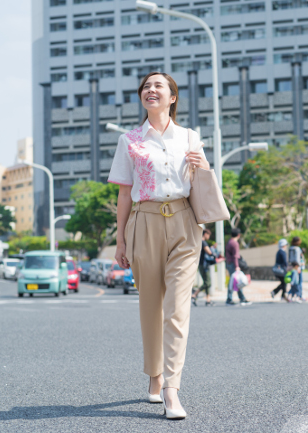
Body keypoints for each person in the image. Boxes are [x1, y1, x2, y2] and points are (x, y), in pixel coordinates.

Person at [110, 72, 210, 419]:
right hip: (145, 221)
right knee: (151, 305)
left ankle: (171, 389)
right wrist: (120, 238)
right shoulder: (130, 140)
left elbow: (202, 180)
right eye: (146, 86)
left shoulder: (189, 136)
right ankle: (153, 375)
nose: (150, 90)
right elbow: (124, 192)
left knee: (178, 307)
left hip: (184, 222)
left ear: (172, 98)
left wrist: (204, 165)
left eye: (158, 86)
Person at [225, 228, 251, 306]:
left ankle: (241, 298)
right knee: (236, 281)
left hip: (229, 263)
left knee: (235, 281)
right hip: (233, 264)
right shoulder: (235, 243)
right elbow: (235, 256)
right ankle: (231, 299)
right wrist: (237, 266)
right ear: (239, 235)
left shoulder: (229, 242)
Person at [192, 228, 215, 307]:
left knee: (206, 281)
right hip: (204, 265)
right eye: (208, 235)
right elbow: (209, 252)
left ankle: (208, 300)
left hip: (201, 264)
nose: (209, 237)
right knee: (208, 283)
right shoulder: (203, 242)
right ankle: (194, 294)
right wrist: (214, 253)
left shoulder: (199, 242)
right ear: (205, 234)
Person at [288, 237, 306, 302]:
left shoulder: (290, 248)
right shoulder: (297, 249)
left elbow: (290, 258)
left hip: (292, 267)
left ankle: (292, 295)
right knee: (299, 282)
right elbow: (297, 258)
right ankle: (299, 296)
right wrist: (298, 267)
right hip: (298, 267)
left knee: (294, 282)